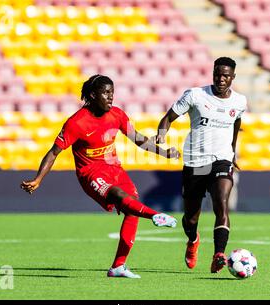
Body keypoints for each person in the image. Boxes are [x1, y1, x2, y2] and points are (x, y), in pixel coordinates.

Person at [21, 74, 180, 279]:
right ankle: (154, 215)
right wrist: (38, 179)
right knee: (119, 196)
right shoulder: (76, 123)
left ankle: (118, 267)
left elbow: (138, 139)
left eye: (112, 92)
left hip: (115, 169)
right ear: (93, 95)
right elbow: (53, 152)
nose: (110, 97)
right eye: (106, 93)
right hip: (91, 174)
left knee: (131, 207)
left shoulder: (117, 115)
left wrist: (163, 152)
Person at [154, 57, 247, 273]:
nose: (221, 79)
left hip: (221, 159)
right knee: (191, 217)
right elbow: (168, 117)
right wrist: (161, 135)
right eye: (217, 74)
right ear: (213, 73)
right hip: (196, 162)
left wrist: (232, 152)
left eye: (225, 75)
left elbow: (236, 123)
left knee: (221, 203)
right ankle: (193, 239)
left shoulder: (240, 101)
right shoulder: (195, 95)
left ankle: (219, 254)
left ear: (233, 77)